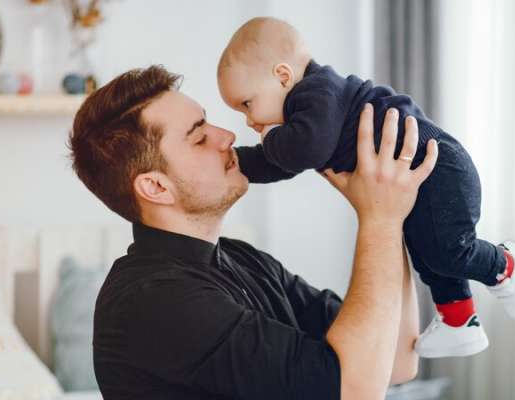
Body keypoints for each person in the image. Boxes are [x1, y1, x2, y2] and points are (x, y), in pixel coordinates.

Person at [69, 65, 438, 399]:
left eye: (208, 123)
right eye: (199, 139)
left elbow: (396, 363)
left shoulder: (241, 258)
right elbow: (353, 390)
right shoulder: (151, 302)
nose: (227, 135)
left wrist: (396, 213)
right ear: (156, 188)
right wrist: (380, 220)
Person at [217, 17, 515, 358]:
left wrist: (269, 137)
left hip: (440, 168)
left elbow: (304, 150)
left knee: (449, 251)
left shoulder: (317, 92)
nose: (250, 121)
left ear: (282, 76)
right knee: (427, 254)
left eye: (246, 104)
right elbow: (285, 161)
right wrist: (239, 163)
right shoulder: (309, 115)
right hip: (418, 179)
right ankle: (459, 320)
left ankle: (505, 264)